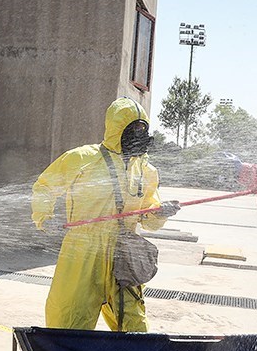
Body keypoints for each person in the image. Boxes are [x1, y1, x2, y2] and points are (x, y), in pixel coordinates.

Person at [31, 96, 180, 332]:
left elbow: (150, 220)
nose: (139, 138)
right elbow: (45, 186)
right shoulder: (83, 159)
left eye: (143, 131)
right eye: (133, 131)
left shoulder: (146, 171)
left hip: (124, 254)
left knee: (134, 327)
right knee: (69, 324)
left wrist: (161, 213)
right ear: (117, 130)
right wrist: (45, 217)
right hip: (82, 252)